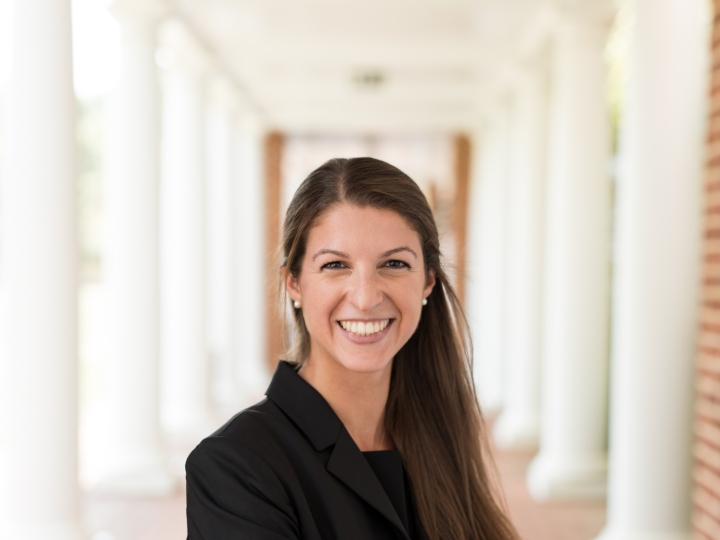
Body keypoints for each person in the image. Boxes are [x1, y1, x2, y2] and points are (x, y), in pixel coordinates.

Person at [186, 157, 519, 540]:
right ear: (294, 283)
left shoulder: (440, 434)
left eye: (394, 263)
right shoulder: (235, 466)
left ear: (427, 281)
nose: (365, 298)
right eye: (335, 265)